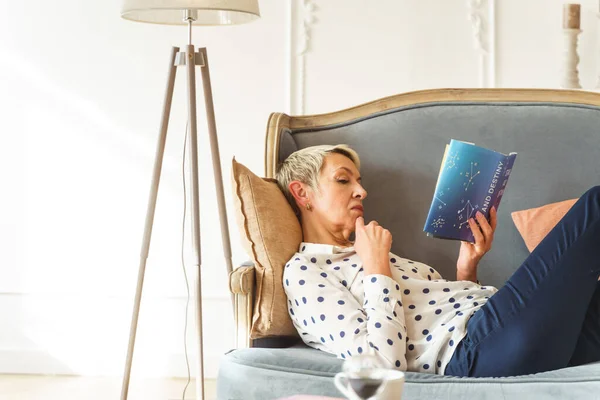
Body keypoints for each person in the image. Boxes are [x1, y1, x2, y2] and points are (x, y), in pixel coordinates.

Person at [275, 144, 600, 377]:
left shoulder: (374, 253)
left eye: (359, 182)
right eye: (344, 180)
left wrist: (466, 268)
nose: (361, 191)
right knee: (595, 206)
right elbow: (380, 365)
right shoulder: (306, 271)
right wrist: (376, 269)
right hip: (479, 349)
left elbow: (441, 316)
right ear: (303, 194)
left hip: (507, 331)